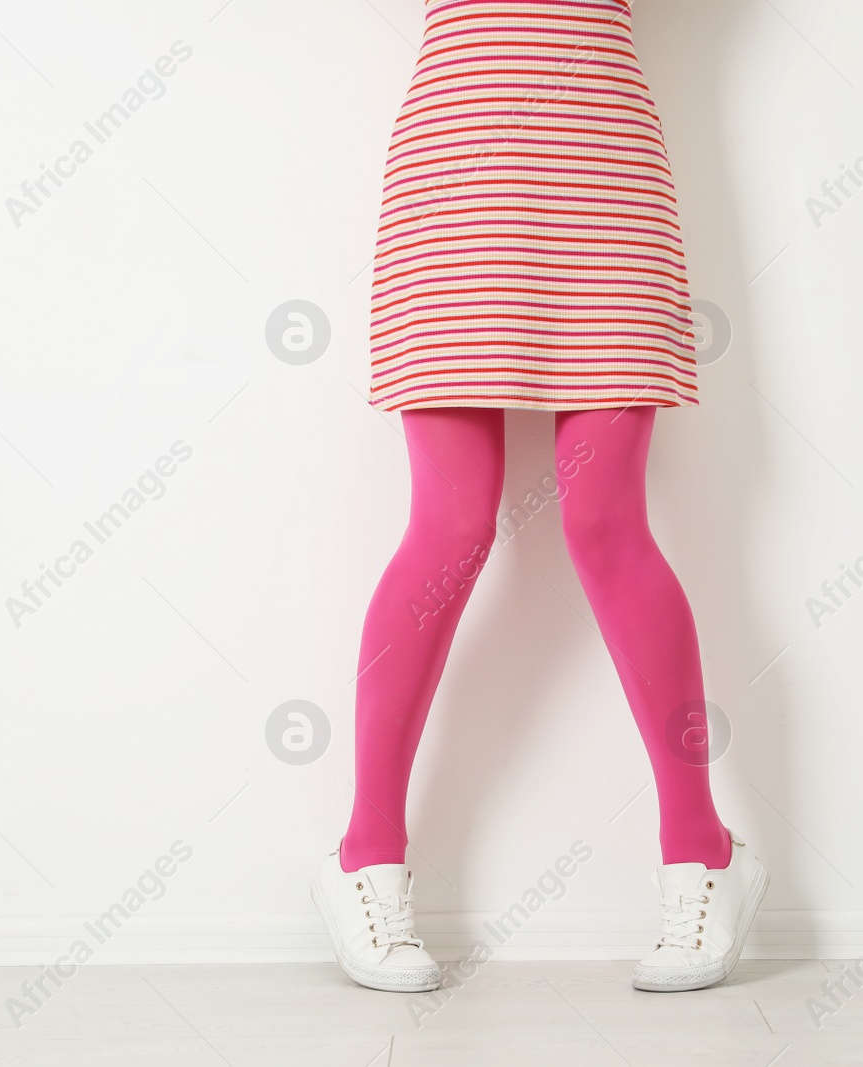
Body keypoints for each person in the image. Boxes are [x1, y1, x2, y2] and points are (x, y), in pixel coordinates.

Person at [312, 0, 767, 993]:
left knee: (606, 523)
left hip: (602, 168)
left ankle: (704, 852)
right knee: (448, 528)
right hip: (455, 166)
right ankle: (364, 854)